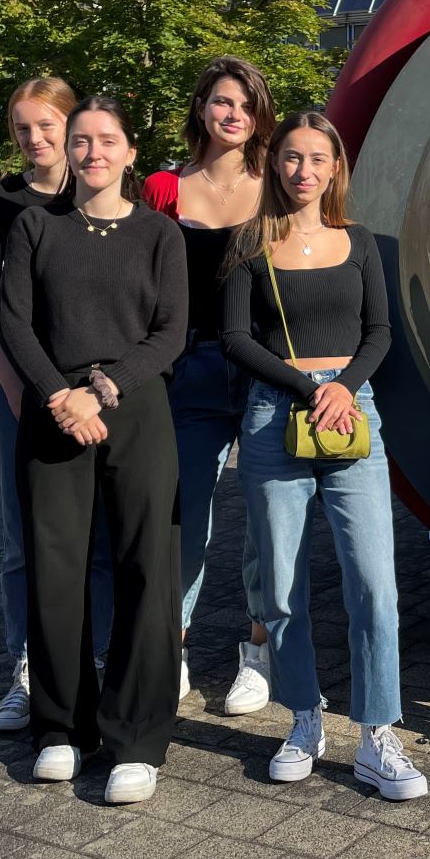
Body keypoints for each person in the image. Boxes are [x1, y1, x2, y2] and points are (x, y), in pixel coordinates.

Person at [221, 111, 427, 801]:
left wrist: (344, 387)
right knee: (280, 585)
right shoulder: (251, 243)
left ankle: (375, 734)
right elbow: (236, 338)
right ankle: (304, 717)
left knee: (374, 579)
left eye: (317, 159)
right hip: (273, 415)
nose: (303, 171)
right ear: (274, 165)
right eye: (291, 158)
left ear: (335, 169)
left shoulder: (359, 241)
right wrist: (309, 385)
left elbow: (380, 329)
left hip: (351, 417)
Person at [0, 96, 188, 805]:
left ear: (132, 152)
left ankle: (136, 737)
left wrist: (101, 388)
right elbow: (13, 320)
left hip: (134, 408)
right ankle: (60, 728)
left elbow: (171, 331)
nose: (93, 152)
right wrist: (60, 396)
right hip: (53, 412)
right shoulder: (34, 226)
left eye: (108, 140)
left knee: (147, 567)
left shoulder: (159, 236)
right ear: (66, 151)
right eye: (81, 140)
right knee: (56, 568)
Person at [0, 77, 114, 733]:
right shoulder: (2, 200)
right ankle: (27, 667)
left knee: (102, 531)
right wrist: (12, 386)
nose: (35, 139)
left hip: (99, 392)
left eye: (45, 125)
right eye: (22, 128)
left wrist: (106, 388)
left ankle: (102, 661)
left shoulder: (102, 192)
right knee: (21, 535)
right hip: (22, 390)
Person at [142, 57, 272, 713]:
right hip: (189, 368)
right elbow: (142, 286)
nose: (233, 115)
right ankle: (174, 648)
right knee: (183, 514)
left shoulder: (277, 185)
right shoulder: (164, 188)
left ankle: (258, 651)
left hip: (265, 370)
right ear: (200, 108)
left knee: (265, 514)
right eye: (222, 101)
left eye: (245, 105)